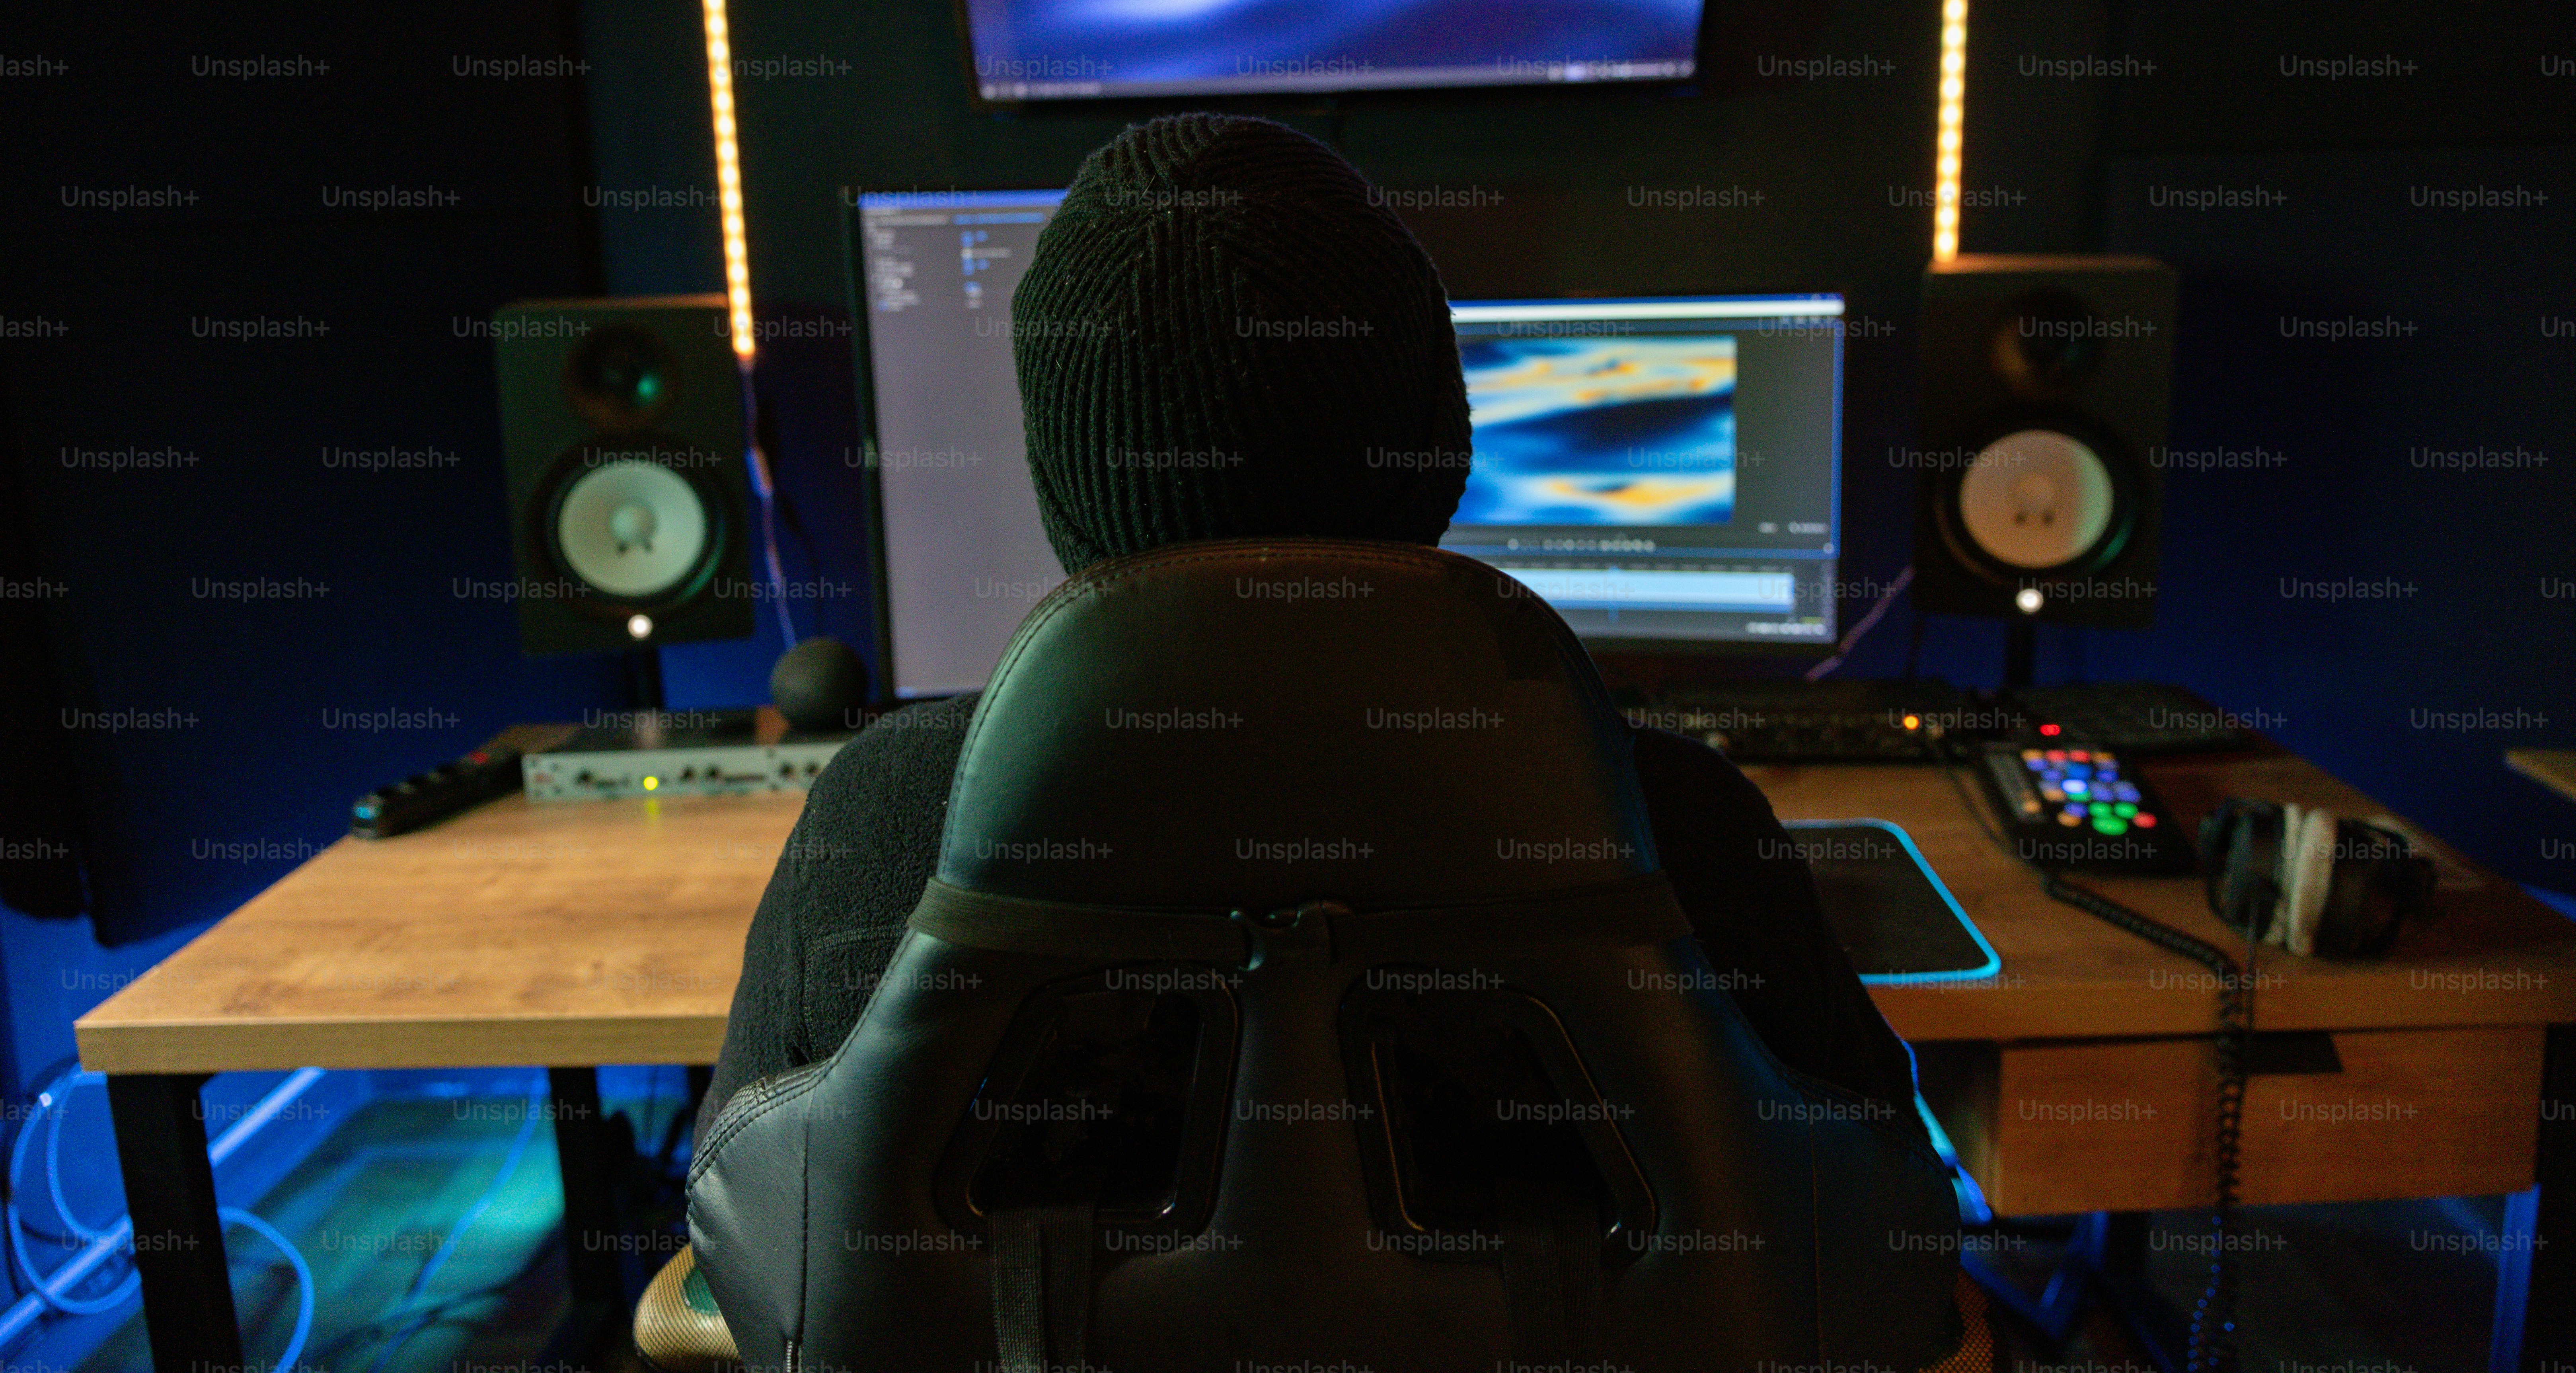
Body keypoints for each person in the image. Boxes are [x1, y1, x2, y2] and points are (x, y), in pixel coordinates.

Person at [700, 111, 1931, 1159]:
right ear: (1441, 441)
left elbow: (745, 1235)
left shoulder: (882, 823)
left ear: (1060, 478)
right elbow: (1882, 1210)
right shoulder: (1677, 828)